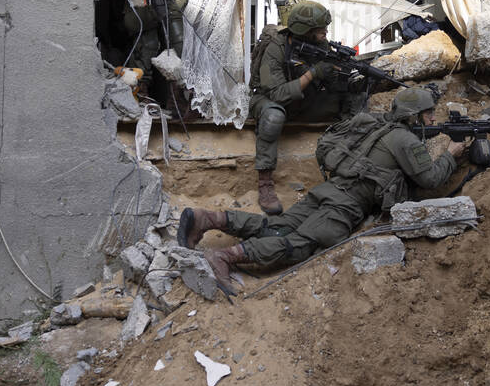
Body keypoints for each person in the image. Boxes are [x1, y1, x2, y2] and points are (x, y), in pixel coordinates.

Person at [178, 86, 467, 288]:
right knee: (299, 244)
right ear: (414, 115)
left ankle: (209, 219)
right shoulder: (406, 140)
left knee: (277, 226)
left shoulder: (378, 125)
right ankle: (225, 257)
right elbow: (429, 179)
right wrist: (450, 155)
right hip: (345, 204)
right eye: (428, 113)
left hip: (327, 190)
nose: (432, 119)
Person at [248, 0, 367, 214]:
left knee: (353, 102)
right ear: (305, 30)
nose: (325, 32)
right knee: (273, 117)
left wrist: (343, 77)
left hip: (302, 101)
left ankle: (348, 172)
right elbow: (277, 94)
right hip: (269, 100)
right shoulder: (276, 47)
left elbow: (329, 83)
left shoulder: (321, 46)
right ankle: (265, 183)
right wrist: (313, 73)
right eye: (320, 29)